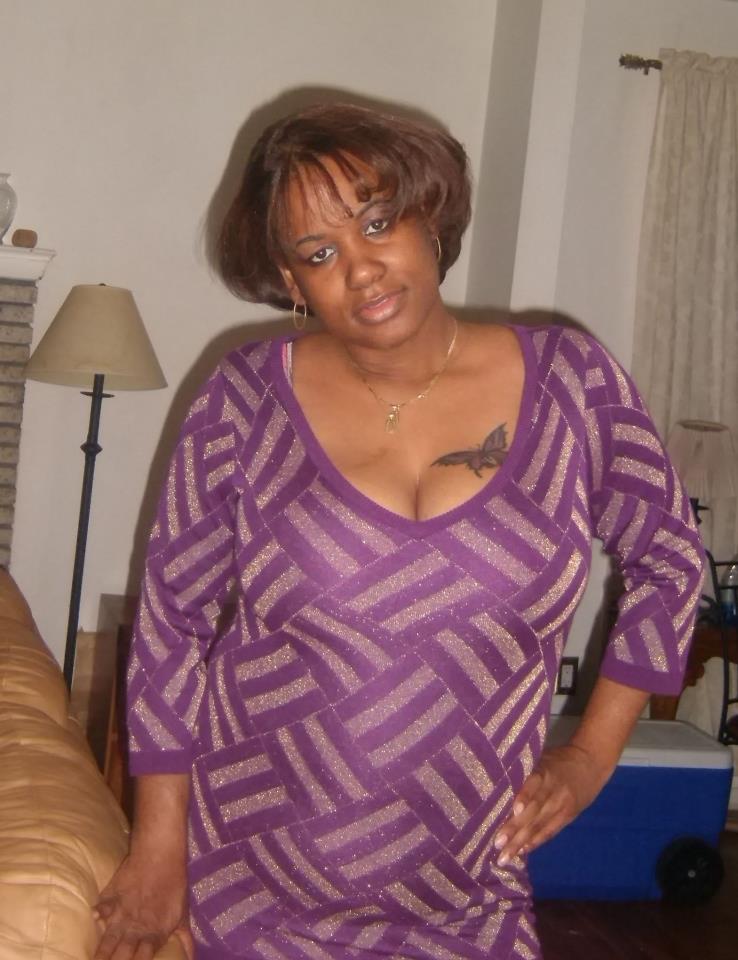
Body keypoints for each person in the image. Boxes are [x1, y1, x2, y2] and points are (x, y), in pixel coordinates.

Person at [94, 102, 705, 960]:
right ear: (291, 280)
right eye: (319, 253)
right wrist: (160, 846)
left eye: (378, 222)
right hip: (256, 882)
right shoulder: (244, 400)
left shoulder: (575, 384)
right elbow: (171, 622)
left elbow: (671, 560)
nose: (362, 268)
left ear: (429, 216)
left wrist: (592, 754)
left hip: (471, 888)